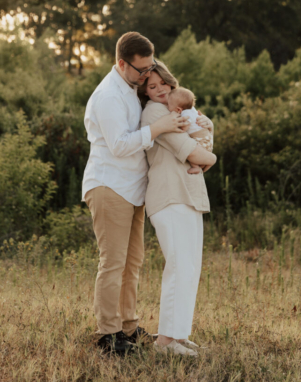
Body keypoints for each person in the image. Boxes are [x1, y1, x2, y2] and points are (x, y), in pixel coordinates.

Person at [82, 32, 190, 354]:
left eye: (149, 69)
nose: (146, 76)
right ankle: (108, 335)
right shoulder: (108, 97)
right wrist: (160, 128)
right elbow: (118, 145)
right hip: (109, 185)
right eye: (141, 71)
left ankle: (128, 327)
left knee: (133, 263)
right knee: (113, 263)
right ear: (121, 63)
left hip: (133, 190)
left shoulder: (131, 89)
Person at [139, 60, 217, 357]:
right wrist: (211, 160)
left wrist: (204, 154)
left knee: (189, 267)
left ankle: (178, 335)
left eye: (163, 84)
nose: (159, 90)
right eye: (151, 86)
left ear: (172, 83)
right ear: (145, 92)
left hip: (187, 195)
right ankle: (166, 342)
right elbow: (194, 151)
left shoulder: (179, 111)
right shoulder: (156, 112)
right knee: (179, 266)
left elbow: (204, 131)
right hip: (170, 196)